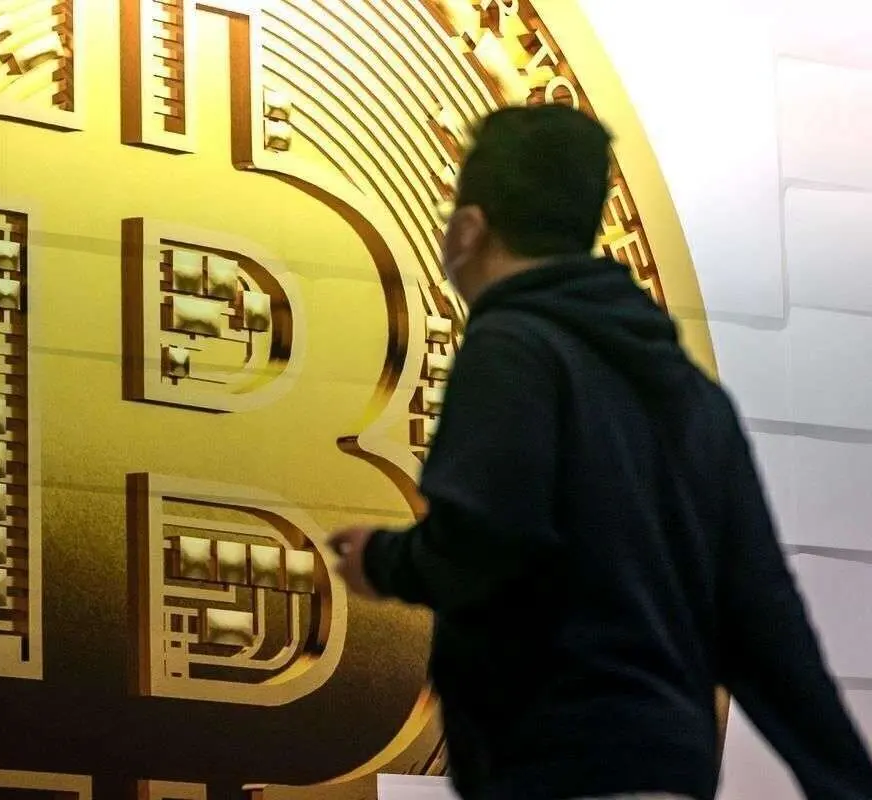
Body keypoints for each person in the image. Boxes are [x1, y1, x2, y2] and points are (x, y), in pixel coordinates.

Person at [328, 104, 872, 800]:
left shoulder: (512, 345)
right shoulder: (695, 397)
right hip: (666, 772)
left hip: (553, 762)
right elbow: (765, 621)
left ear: (469, 229)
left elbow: (486, 538)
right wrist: (846, 784)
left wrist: (382, 561)